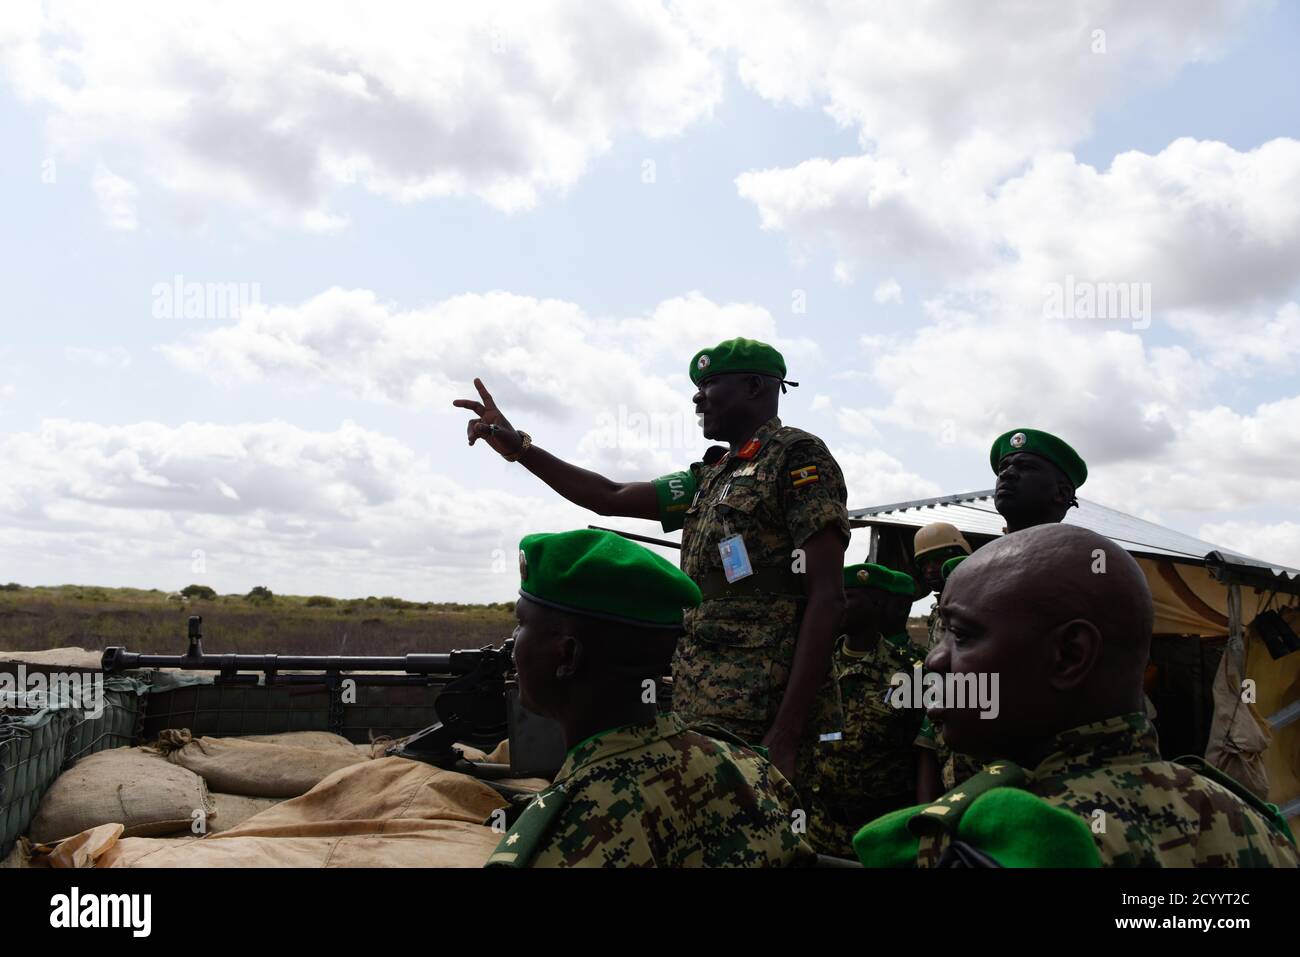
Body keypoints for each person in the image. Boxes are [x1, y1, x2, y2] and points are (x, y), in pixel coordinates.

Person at [453, 338, 850, 800]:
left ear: (756, 386)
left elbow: (828, 597)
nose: (697, 397)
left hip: (766, 708)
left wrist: (787, 730)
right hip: (704, 702)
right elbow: (610, 495)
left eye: (710, 384)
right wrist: (520, 448)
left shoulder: (797, 458)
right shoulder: (711, 476)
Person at [853, 524, 1298, 868]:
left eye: (964, 635)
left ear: (1069, 655)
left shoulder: (1008, 844)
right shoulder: (1251, 821)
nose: (934, 661)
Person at [485, 528, 814, 868]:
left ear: (567, 656)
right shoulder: (752, 770)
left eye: (521, 623)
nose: (512, 642)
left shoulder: (562, 838)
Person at [812, 563, 929, 856]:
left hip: (885, 832)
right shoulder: (815, 664)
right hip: (820, 828)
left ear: (876, 605)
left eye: (848, 597)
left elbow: (927, 754)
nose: (838, 604)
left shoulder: (911, 673)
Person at [990, 428, 1087, 533]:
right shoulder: (989, 550)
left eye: (1026, 466)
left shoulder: (1088, 548)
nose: (1005, 473)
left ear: (1062, 493)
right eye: (1002, 468)